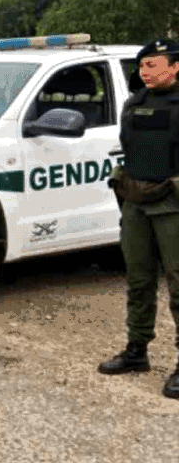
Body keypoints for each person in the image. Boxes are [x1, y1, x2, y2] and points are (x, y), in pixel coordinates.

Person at [100, 39, 179, 399]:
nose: (145, 72)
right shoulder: (135, 103)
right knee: (139, 279)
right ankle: (137, 351)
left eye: (153, 65)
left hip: (172, 204)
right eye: (142, 67)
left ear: (175, 67)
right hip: (136, 202)